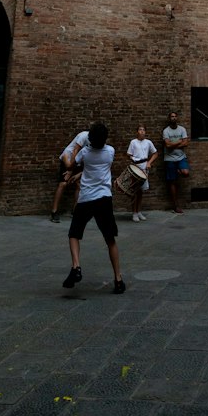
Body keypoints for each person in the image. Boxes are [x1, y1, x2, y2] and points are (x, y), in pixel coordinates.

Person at [62, 121, 125, 294]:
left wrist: (75, 149)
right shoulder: (110, 152)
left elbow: (71, 164)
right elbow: (101, 168)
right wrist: (81, 174)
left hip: (86, 199)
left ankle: (76, 266)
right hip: (104, 198)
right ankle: (118, 279)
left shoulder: (84, 152)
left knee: (74, 234)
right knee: (110, 240)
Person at [50, 126, 89, 223]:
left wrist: (78, 173)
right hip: (68, 157)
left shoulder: (97, 142)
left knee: (79, 185)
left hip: (81, 162)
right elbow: (75, 151)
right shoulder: (84, 135)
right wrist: (70, 169)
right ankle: (54, 211)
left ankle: (75, 211)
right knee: (63, 184)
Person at [125, 124, 158, 221]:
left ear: (145, 132)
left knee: (140, 192)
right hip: (135, 167)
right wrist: (132, 159)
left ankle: (139, 212)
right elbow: (128, 154)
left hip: (144, 167)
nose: (142, 131)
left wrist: (149, 162)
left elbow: (155, 153)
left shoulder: (148, 142)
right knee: (134, 191)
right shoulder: (133, 142)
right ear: (137, 132)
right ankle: (134, 213)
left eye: (143, 130)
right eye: (140, 129)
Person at [162, 110, 191, 215]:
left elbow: (186, 143)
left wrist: (173, 144)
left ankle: (179, 170)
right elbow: (167, 146)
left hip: (181, 157)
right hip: (169, 159)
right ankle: (176, 206)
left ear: (177, 118)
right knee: (172, 182)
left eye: (175, 116)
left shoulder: (182, 129)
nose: (173, 118)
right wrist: (180, 141)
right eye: (172, 117)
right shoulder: (166, 131)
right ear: (169, 119)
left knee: (186, 173)